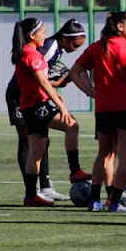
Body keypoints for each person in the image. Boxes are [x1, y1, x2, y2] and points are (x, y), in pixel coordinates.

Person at [70, 11, 126, 212]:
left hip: (104, 107)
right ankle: (114, 202)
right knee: (125, 156)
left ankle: (94, 201)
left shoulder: (96, 47)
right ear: (120, 27)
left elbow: (74, 72)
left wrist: (89, 91)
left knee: (104, 153)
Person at [6, 19, 88, 201]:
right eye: (42, 32)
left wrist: (55, 90)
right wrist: (61, 106)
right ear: (32, 35)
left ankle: (31, 195)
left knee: (37, 150)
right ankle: (74, 171)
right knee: (71, 125)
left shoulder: (30, 52)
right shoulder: (33, 54)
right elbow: (41, 81)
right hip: (33, 103)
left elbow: (38, 80)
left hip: (31, 103)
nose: (46, 35)